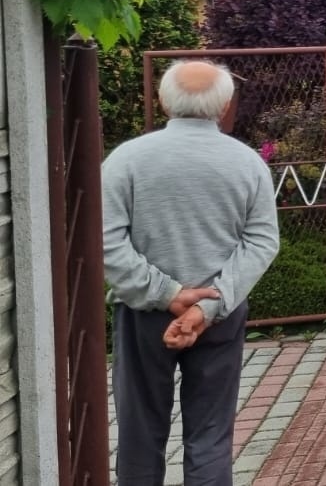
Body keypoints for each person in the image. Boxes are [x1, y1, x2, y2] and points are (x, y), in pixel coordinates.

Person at [103, 59, 281, 486]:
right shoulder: (247, 163)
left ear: (163, 100)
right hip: (218, 314)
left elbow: (104, 240)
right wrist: (209, 303)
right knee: (211, 434)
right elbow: (262, 242)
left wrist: (166, 294)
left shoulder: (126, 160)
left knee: (139, 433)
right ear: (224, 106)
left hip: (143, 315)